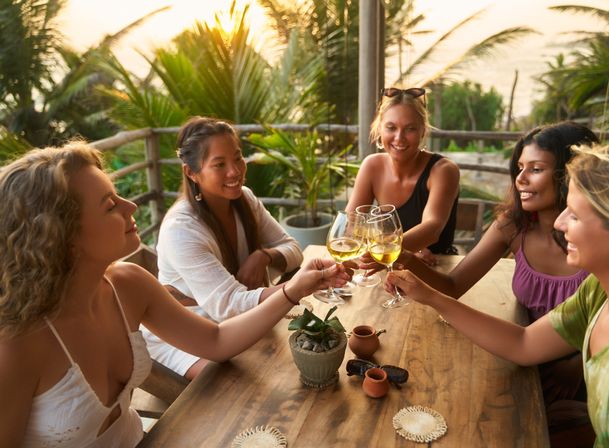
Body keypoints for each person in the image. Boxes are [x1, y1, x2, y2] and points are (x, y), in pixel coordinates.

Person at [0, 143, 349, 447]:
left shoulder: (127, 284)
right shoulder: (18, 343)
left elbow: (216, 340)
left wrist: (294, 289)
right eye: (110, 205)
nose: (131, 207)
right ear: (61, 235)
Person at [388, 141, 609, 446]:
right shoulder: (601, 290)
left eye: (574, 215)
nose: (560, 223)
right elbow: (524, 343)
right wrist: (429, 296)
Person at [389, 121, 600, 441]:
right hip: (526, 358)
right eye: (519, 167)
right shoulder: (513, 227)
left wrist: (576, 364)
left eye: (536, 169)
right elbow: (453, 286)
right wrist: (404, 258)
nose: (521, 179)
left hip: (584, 374)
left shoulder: (601, 241)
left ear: (570, 176)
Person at [143, 117, 303, 380]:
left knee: (292, 362)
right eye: (219, 164)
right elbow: (229, 306)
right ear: (191, 173)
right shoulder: (181, 230)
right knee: (240, 384)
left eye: (238, 158)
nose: (235, 171)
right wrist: (297, 289)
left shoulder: (245, 200)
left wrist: (264, 255)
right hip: (188, 334)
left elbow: (293, 249)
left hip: (236, 324)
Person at [346, 87, 461, 263]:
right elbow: (351, 223)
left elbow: (432, 229)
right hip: (387, 265)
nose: (399, 138)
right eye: (391, 127)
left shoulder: (444, 170)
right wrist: (392, 252)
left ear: (423, 131)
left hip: (436, 268)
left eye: (410, 129)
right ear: (379, 130)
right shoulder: (371, 166)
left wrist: (386, 251)